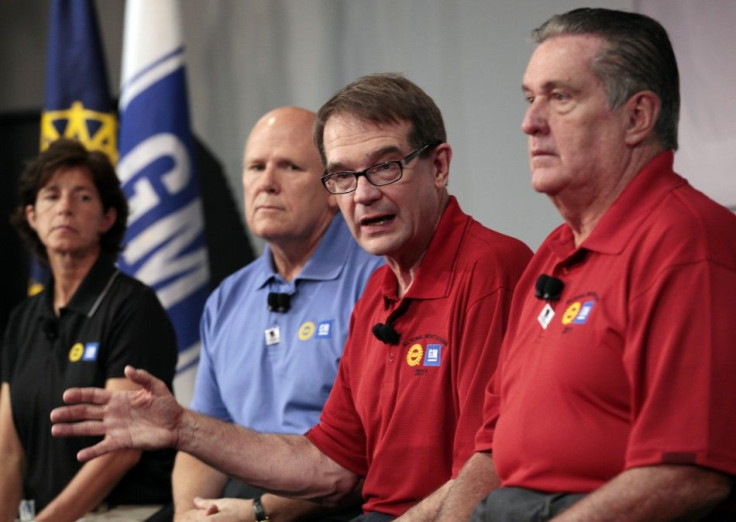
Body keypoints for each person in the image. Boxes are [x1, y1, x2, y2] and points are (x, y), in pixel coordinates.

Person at [50, 73, 533, 521]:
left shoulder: (490, 269)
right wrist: (183, 428)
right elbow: (329, 463)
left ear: (440, 166)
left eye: (384, 168)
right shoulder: (379, 290)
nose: (362, 194)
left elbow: (482, 473)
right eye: (343, 175)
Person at [438, 8, 736, 522]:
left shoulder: (688, 243)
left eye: (561, 98)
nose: (529, 122)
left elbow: (687, 475)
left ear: (637, 117)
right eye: (530, 98)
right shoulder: (551, 253)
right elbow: (489, 452)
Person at [167, 106, 383, 521]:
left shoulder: (377, 280)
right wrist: (188, 516)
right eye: (255, 167)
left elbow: (371, 450)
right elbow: (204, 439)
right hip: (239, 503)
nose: (266, 183)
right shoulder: (228, 299)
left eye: (289, 167)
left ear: (332, 190)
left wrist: (258, 513)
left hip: (336, 504)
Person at [0, 139, 177, 522]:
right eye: (51, 196)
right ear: (32, 216)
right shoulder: (23, 319)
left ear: (107, 218)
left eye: (82, 197)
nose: (64, 207)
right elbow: (8, 450)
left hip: (125, 512)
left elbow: (123, 449)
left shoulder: (133, 306)